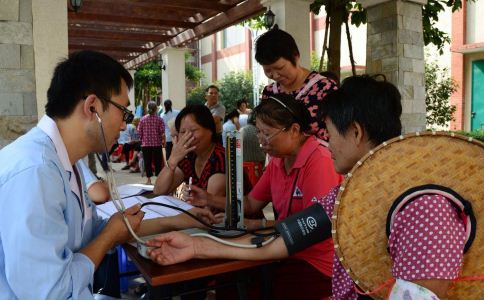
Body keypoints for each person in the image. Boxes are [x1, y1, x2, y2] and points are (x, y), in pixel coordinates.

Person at [147, 76, 474, 300]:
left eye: (329, 134)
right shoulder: (350, 195)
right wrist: (197, 247)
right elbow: (283, 241)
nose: (325, 144)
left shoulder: (424, 207)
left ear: (356, 133)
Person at [0, 51, 217, 300]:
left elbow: (97, 229)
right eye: (123, 112)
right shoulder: (35, 173)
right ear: (92, 106)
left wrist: (178, 221)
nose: (125, 125)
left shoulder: (64, 163)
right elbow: (50, 294)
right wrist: (108, 237)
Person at [163, 94, 343, 298]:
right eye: (259, 133)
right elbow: (250, 203)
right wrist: (209, 199)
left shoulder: (319, 161)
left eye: (267, 134)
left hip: (316, 261)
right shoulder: (278, 160)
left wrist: (256, 226)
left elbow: (306, 231)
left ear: (294, 130)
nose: (261, 141)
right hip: (282, 249)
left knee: (254, 285)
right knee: (232, 278)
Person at [256, 25, 338, 143]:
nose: (274, 75)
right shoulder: (269, 93)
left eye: (280, 68)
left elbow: (339, 133)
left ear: (295, 57)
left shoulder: (324, 88)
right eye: (267, 70)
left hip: (319, 159)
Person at [153, 105, 226, 211]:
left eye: (194, 130)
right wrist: (173, 159)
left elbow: (208, 211)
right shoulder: (189, 157)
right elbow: (159, 190)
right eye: (183, 132)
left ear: (210, 130)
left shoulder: (220, 159)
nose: (188, 136)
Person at [137, 100, 166, 185]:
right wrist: (163, 140)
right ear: (156, 109)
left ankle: (149, 180)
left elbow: (139, 132)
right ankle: (158, 180)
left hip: (146, 144)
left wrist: (142, 139)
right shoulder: (159, 119)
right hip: (157, 144)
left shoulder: (143, 119)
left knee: (147, 162)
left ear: (148, 109)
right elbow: (162, 131)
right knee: (158, 162)